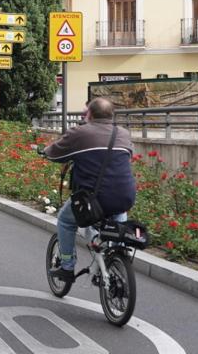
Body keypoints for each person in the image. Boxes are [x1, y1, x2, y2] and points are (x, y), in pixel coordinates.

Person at [42, 97, 135, 283]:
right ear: (112, 115)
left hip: (93, 198)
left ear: (89, 114)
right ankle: (115, 259)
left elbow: (55, 153)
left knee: (65, 221)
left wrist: (44, 151)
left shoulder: (80, 133)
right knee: (117, 215)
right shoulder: (123, 133)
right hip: (125, 195)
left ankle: (67, 266)